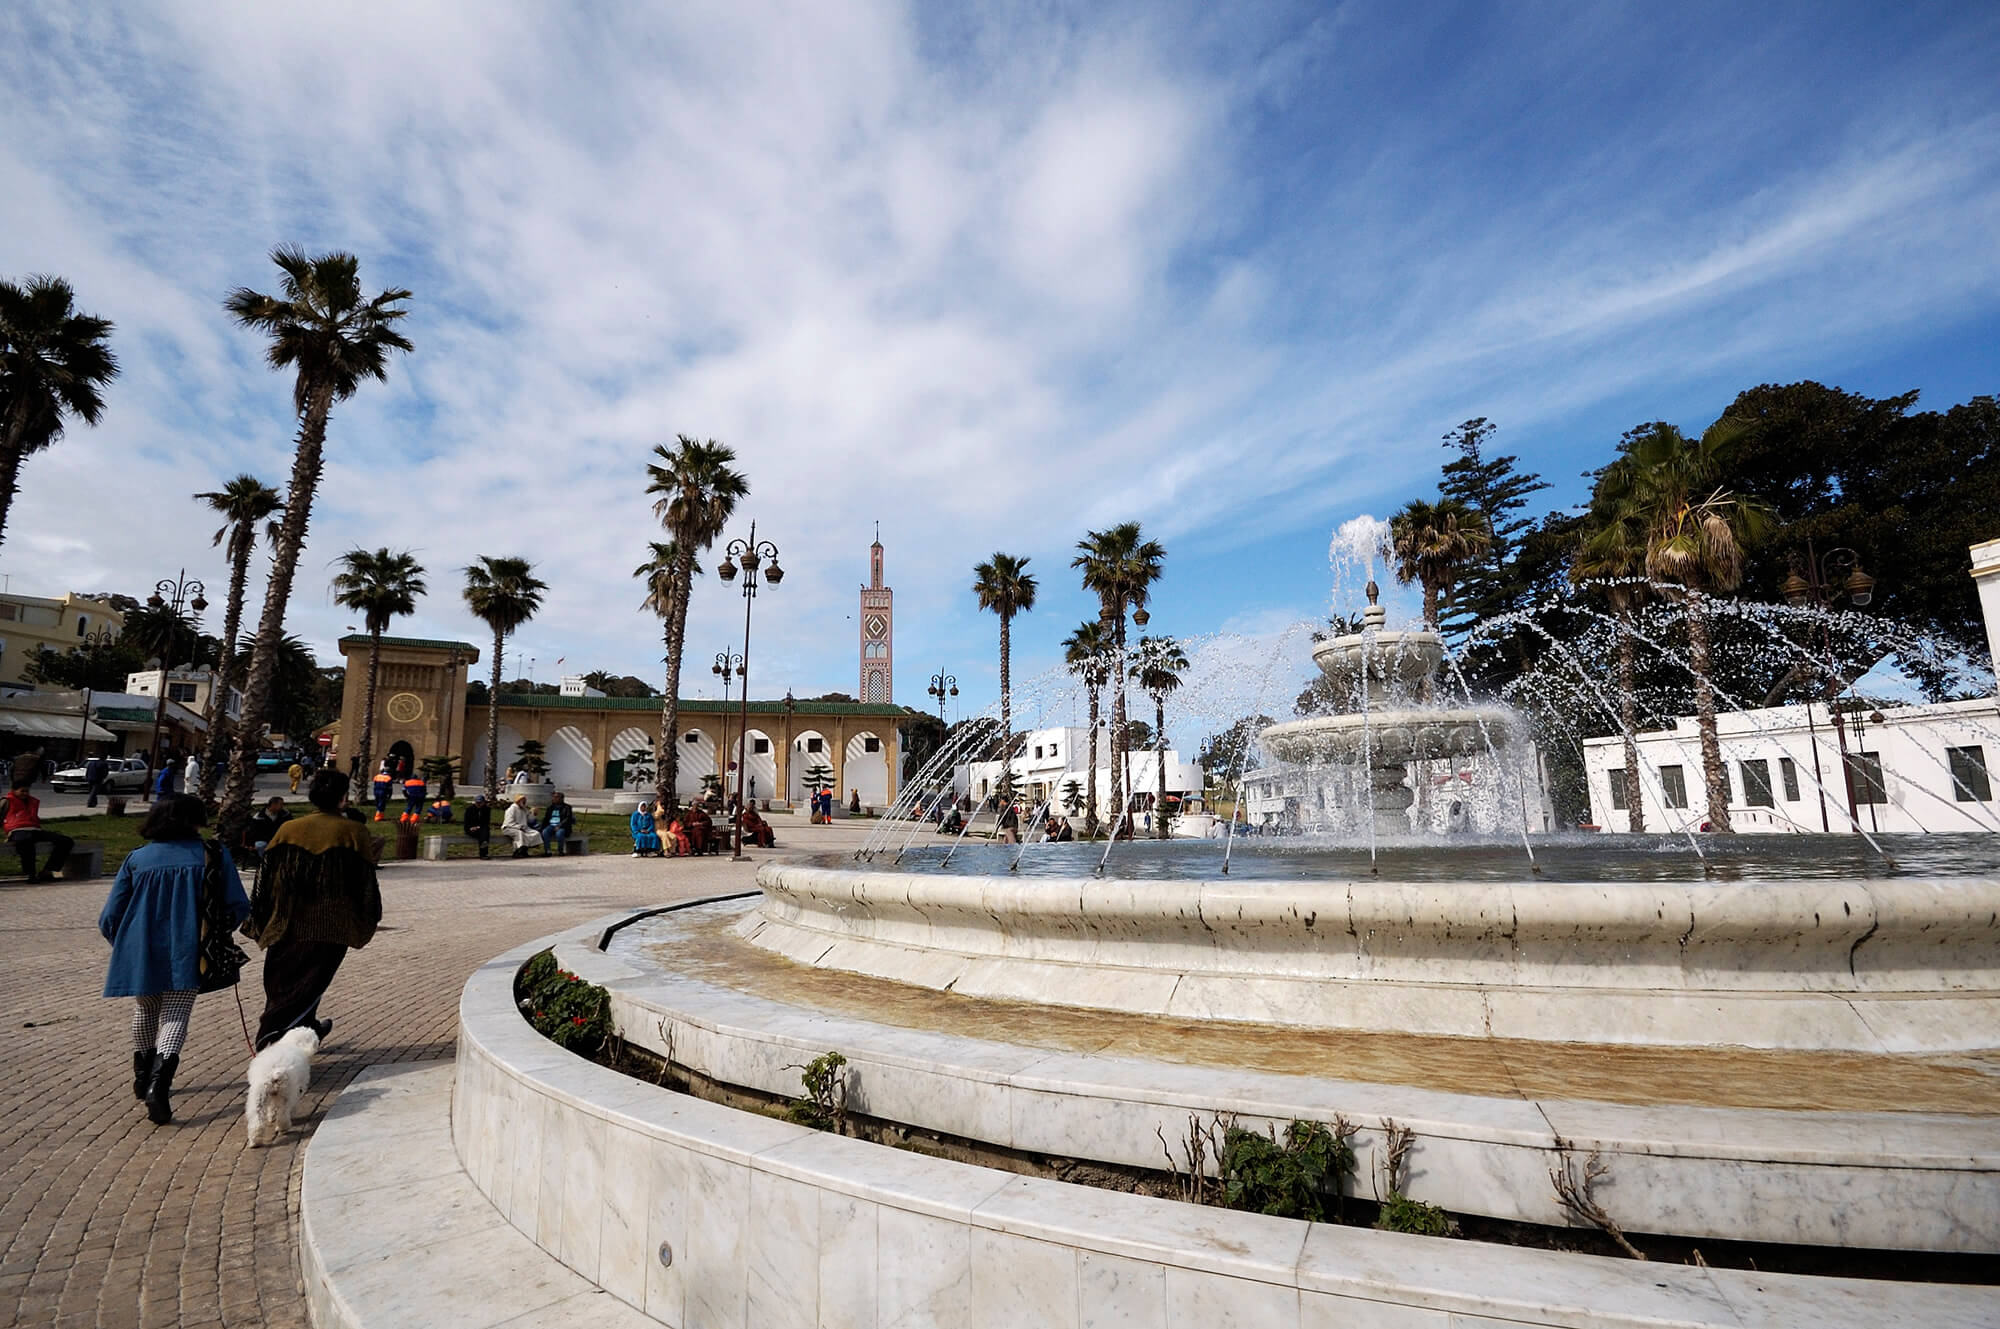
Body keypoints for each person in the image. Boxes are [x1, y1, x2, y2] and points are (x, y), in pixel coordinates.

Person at [99, 794, 250, 1124]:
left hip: (140, 947)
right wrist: (216, 935)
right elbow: (237, 904)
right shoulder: (213, 853)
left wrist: (125, 945)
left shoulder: (137, 858)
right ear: (194, 820)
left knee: (146, 1007)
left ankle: (141, 1077)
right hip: (189, 947)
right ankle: (158, 1085)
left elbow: (110, 916)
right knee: (176, 1013)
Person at [243, 769, 381, 1052]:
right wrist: (366, 919)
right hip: (332, 925)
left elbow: (265, 880)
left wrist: (261, 918)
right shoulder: (354, 832)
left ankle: (303, 1031)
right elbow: (365, 884)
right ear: (343, 798)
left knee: (282, 983)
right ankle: (275, 1037)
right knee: (312, 983)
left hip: (286, 923)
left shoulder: (288, 830)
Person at [7, 780, 74, 881]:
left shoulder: (32, 801)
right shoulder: (7, 801)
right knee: (26, 843)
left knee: (66, 841)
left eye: (27, 791)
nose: (25, 794)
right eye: (22, 791)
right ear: (14, 791)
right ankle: (31, 874)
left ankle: (48, 870)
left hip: (35, 829)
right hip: (17, 830)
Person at [243, 796, 292, 864]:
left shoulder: (285, 815)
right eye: (280, 804)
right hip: (264, 840)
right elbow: (255, 832)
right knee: (261, 845)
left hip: (281, 839)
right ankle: (266, 862)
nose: (282, 806)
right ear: (273, 805)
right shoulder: (259, 817)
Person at [539, 791, 575, 856]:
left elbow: (568, 819)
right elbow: (546, 818)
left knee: (559, 833)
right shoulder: (550, 807)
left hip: (562, 826)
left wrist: (559, 825)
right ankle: (548, 851)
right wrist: (541, 828)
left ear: (561, 799)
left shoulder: (567, 807)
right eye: (553, 797)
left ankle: (560, 851)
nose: (554, 799)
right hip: (551, 825)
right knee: (545, 832)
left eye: (556, 797)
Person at [464, 793, 492, 859]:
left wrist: (478, 827)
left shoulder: (487, 809)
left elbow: (486, 821)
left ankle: (483, 852)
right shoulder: (470, 809)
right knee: (484, 834)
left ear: (483, 803)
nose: (478, 804)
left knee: (484, 832)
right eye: (477, 803)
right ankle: (484, 853)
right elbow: (467, 821)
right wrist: (471, 827)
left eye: (480, 803)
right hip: (471, 828)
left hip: (481, 828)